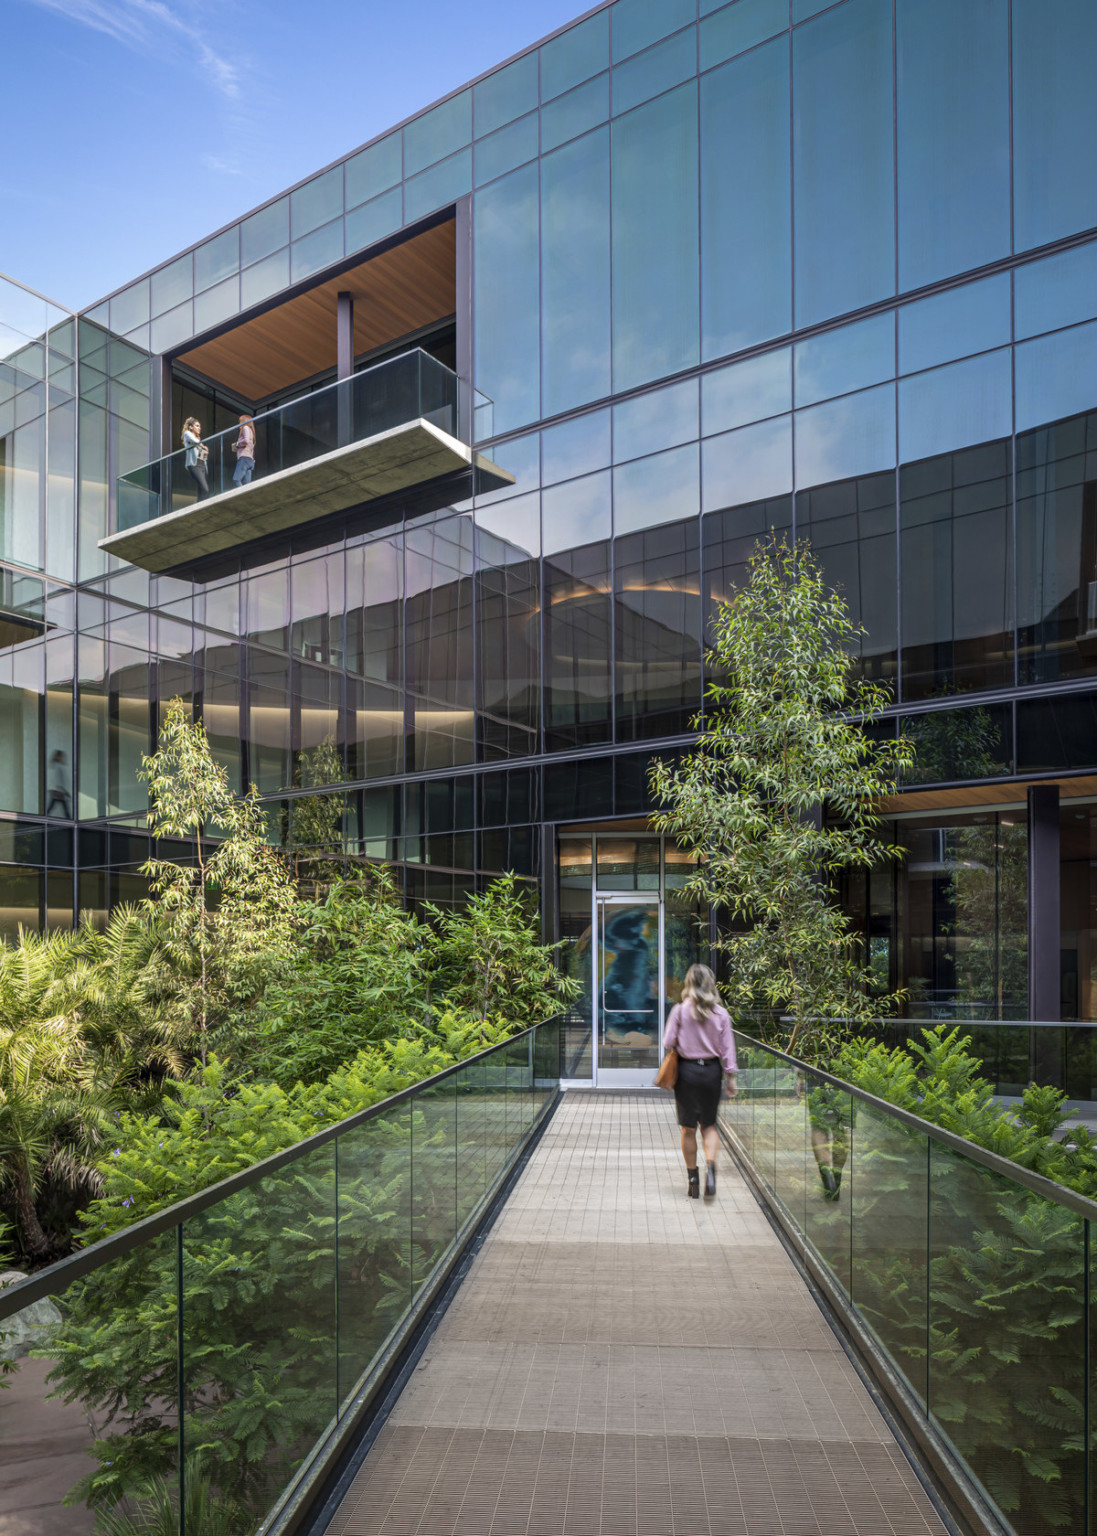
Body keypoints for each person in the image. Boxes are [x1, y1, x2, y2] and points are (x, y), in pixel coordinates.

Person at [663, 964, 737, 1199]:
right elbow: (728, 1050)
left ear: (688, 983)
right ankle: (712, 1170)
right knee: (709, 1125)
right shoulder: (721, 1014)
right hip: (711, 1073)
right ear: (710, 984)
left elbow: (668, 1042)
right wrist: (731, 1078)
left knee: (688, 1129)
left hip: (687, 1072)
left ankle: (693, 1180)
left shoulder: (680, 1011)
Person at [182, 417, 209, 499]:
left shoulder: (199, 440)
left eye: (200, 426)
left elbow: (203, 457)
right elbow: (195, 441)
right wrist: (202, 446)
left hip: (202, 465)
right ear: (191, 427)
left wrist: (205, 452)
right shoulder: (187, 434)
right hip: (194, 465)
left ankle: (199, 508)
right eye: (197, 426)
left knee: (201, 490)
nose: (199, 428)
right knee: (205, 489)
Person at [45, 750, 72, 818]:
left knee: (53, 806)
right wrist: (64, 790)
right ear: (58, 757)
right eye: (61, 756)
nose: (62, 758)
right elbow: (58, 780)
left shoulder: (53, 765)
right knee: (64, 808)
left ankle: (45, 817)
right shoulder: (58, 766)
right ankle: (70, 823)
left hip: (55, 789)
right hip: (58, 790)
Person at [232, 413, 256, 486]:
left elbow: (245, 441)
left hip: (244, 458)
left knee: (236, 479)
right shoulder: (251, 431)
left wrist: (236, 444)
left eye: (240, 421)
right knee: (247, 485)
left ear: (244, 421)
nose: (239, 423)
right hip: (249, 460)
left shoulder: (245, 428)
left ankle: (241, 497)